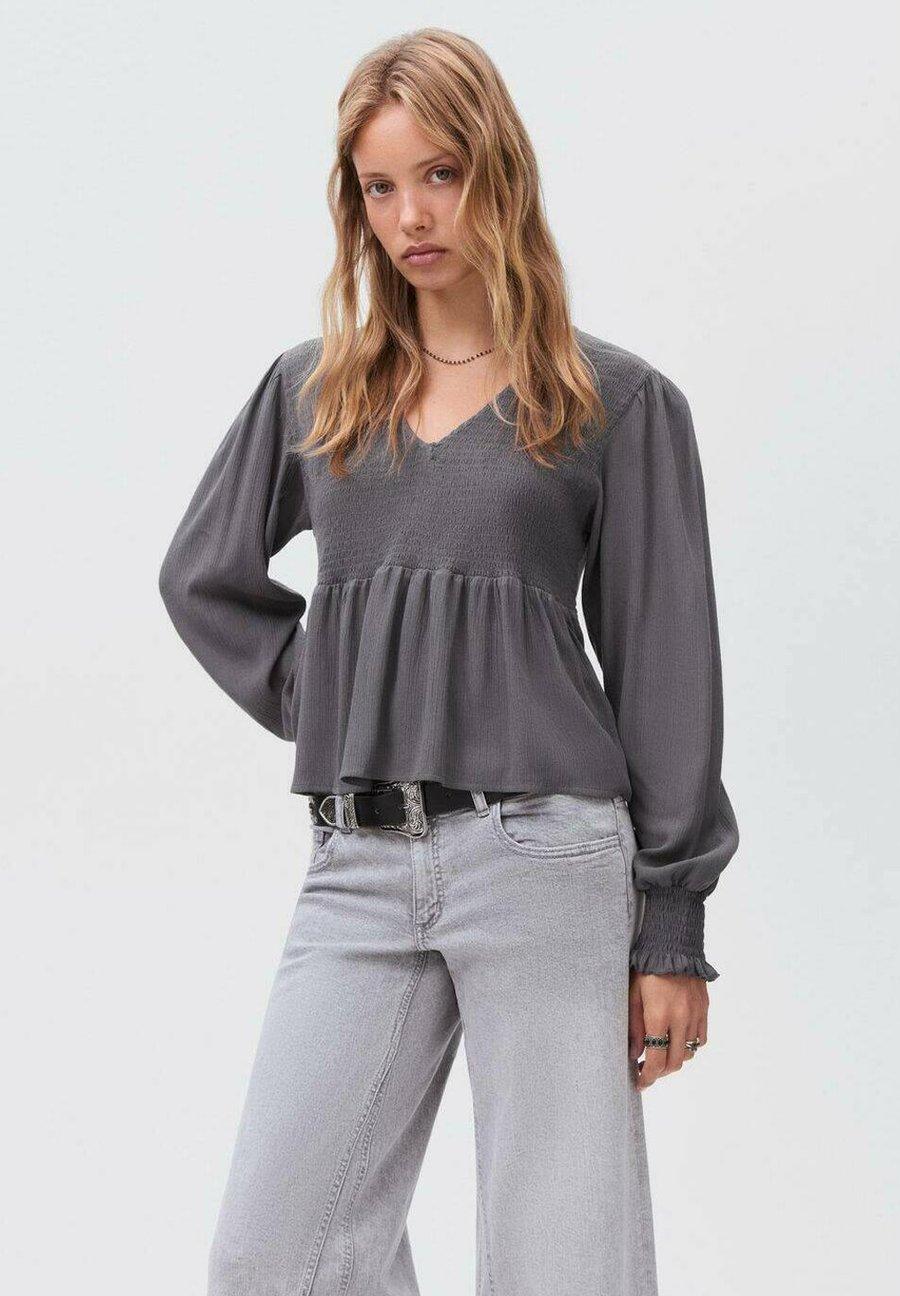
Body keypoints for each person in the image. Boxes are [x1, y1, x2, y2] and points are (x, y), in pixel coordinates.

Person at [158, 27, 739, 1296]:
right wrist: (335, 697)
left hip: (547, 857)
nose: (412, 216)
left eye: (441, 174)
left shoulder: (612, 400)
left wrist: (673, 928)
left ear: (500, 175)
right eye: (380, 186)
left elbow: (666, 669)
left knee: (559, 1266)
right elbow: (201, 577)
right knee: (273, 1255)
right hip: (356, 865)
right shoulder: (313, 390)